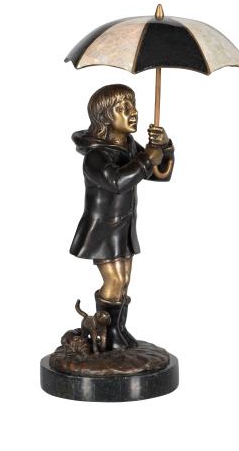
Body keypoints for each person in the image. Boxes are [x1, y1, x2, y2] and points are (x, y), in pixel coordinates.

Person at [69, 84, 174, 349]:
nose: (133, 112)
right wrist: (146, 159)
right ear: (105, 117)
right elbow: (117, 181)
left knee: (124, 280)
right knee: (114, 280)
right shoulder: (95, 156)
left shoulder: (128, 146)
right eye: (123, 108)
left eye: (133, 105)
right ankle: (106, 335)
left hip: (123, 226)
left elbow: (160, 175)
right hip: (102, 230)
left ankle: (117, 329)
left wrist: (163, 147)